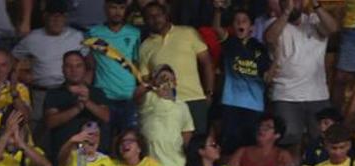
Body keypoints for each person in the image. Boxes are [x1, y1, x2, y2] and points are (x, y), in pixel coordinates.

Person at [265, 0, 337, 153]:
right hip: (286, 95)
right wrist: (286, 12)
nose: (292, 3)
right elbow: (270, 38)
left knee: (322, 143)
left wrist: (316, 5)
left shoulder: (314, 20)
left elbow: (333, 29)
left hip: (317, 94)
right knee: (289, 143)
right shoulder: (273, 23)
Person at [138, 1, 214, 135]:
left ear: (166, 15)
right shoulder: (145, 46)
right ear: (145, 21)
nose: (155, 19)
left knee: (196, 147)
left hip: (194, 100)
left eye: (158, 15)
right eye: (150, 16)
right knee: (171, 147)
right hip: (166, 104)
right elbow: (145, 80)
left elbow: (207, 63)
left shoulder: (188, 32)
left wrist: (209, 93)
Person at [12, 1, 85, 132]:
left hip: (67, 93)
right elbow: (11, 60)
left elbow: (89, 63)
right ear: (45, 17)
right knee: (37, 130)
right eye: (53, 16)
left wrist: (85, 83)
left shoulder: (76, 37)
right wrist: (21, 75)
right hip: (41, 93)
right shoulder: (32, 38)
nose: (57, 20)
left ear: (65, 17)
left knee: (68, 130)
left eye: (60, 16)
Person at [44, 50, 111, 166]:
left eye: (78, 66)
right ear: (63, 69)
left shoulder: (97, 93)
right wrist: (77, 109)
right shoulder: (54, 94)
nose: (74, 70)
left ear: (85, 68)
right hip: (64, 156)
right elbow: (50, 122)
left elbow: (106, 116)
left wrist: (87, 102)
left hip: (94, 158)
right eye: (69, 66)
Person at [220, 8, 272, 155]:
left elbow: (267, 77)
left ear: (252, 28)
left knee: (250, 145)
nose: (240, 24)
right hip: (231, 102)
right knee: (230, 145)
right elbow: (217, 29)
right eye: (236, 21)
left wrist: (277, 59)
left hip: (254, 105)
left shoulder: (260, 48)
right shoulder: (229, 43)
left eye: (244, 21)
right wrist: (217, 11)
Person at [86, 0, 142, 133]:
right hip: (104, 96)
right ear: (105, 8)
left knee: (128, 139)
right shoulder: (93, 33)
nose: (117, 12)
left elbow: (136, 63)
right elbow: (89, 63)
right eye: (113, 7)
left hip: (129, 96)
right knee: (104, 140)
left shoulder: (134, 33)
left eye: (121, 8)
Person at [136, 64, 195, 166]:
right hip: (151, 164)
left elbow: (187, 131)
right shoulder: (148, 98)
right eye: (162, 78)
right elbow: (136, 96)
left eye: (169, 78)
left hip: (175, 164)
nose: (165, 81)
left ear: (175, 82)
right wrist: (150, 85)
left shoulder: (182, 105)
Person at [228, 114, 297, 166]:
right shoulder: (242, 151)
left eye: (267, 127)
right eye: (260, 126)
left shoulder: (282, 154)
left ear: (277, 135)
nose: (261, 129)